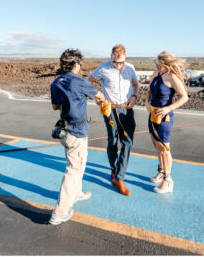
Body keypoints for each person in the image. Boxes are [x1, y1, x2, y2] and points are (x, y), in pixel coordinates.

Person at [49, 48, 106, 225]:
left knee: (78, 164)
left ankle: (76, 193)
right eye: (80, 64)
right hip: (77, 132)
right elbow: (100, 96)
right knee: (73, 170)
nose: (80, 67)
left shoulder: (56, 82)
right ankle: (59, 212)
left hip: (64, 130)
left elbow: (55, 107)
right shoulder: (80, 82)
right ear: (75, 64)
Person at [88, 44, 139, 196]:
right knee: (113, 141)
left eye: (121, 62)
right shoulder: (103, 68)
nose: (118, 65)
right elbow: (89, 81)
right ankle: (114, 170)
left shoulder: (130, 68)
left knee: (127, 142)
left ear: (125, 58)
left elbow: (135, 85)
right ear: (111, 57)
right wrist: (98, 98)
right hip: (110, 109)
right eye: (116, 62)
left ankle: (119, 178)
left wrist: (135, 96)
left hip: (126, 109)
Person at [147, 50, 190, 194]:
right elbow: (149, 90)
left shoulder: (172, 77)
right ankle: (161, 171)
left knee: (165, 149)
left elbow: (184, 97)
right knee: (157, 145)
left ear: (165, 64)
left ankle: (168, 180)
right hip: (153, 114)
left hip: (164, 117)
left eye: (159, 65)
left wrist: (168, 108)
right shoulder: (156, 73)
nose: (156, 67)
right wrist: (147, 103)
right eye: (156, 64)